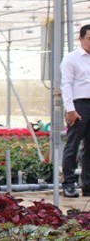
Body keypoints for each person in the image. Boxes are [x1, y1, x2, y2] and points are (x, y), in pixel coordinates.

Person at [61, 24, 90, 198]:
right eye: (89, 39)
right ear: (80, 39)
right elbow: (66, 84)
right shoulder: (71, 58)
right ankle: (69, 183)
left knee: (89, 148)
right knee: (72, 145)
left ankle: (87, 184)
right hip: (79, 105)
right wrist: (70, 109)